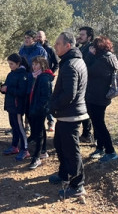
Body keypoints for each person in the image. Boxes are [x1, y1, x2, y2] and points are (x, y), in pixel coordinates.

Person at [49, 32, 88, 199]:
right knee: (60, 144)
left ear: (68, 46)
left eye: (58, 43)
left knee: (72, 151)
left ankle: (77, 185)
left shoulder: (71, 65)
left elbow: (69, 95)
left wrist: (52, 105)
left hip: (70, 114)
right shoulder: (73, 61)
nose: (55, 46)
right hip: (67, 114)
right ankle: (64, 175)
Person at [85, 35, 118, 163]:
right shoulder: (108, 57)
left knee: (99, 124)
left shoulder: (103, 59)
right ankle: (100, 148)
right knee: (97, 122)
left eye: (94, 45)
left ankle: (110, 151)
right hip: (100, 96)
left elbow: (86, 69)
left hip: (97, 97)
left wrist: (89, 55)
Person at [0, 53, 30, 161]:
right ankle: (14, 146)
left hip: (17, 106)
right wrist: (2, 89)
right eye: (9, 64)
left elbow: (22, 92)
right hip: (10, 105)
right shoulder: (11, 74)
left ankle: (25, 149)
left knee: (20, 127)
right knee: (14, 126)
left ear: (18, 64)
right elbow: (8, 87)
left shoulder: (23, 75)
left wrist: (8, 89)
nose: (10, 66)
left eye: (12, 64)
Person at [27, 56, 54, 170]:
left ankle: (36, 157)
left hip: (38, 109)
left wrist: (38, 108)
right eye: (33, 64)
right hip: (33, 108)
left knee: (38, 133)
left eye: (36, 64)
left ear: (42, 65)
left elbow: (46, 97)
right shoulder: (35, 77)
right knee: (39, 130)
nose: (34, 66)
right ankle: (42, 151)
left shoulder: (44, 78)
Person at [36, 30, 58, 133]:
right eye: (37, 36)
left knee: (47, 100)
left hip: (47, 78)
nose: (39, 38)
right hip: (35, 78)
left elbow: (56, 63)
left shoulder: (50, 49)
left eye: (40, 36)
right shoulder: (34, 49)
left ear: (45, 37)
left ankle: (51, 122)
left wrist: (50, 74)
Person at [76, 26, 94, 143]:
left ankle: (87, 134)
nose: (80, 37)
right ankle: (85, 134)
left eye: (82, 35)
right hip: (81, 82)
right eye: (80, 34)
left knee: (87, 110)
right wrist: (76, 45)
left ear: (89, 37)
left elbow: (84, 63)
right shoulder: (83, 47)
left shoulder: (91, 48)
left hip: (88, 85)